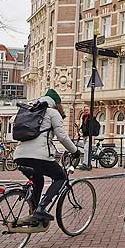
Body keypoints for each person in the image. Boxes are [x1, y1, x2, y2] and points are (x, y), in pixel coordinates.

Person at [14, 89, 79, 222]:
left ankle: (34, 211)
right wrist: (75, 151)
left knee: (38, 180)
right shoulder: (52, 113)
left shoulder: (30, 111)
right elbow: (62, 136)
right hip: (40, 156)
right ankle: (41, 209)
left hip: (19, 155)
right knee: (60, 177)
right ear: (56, 103)